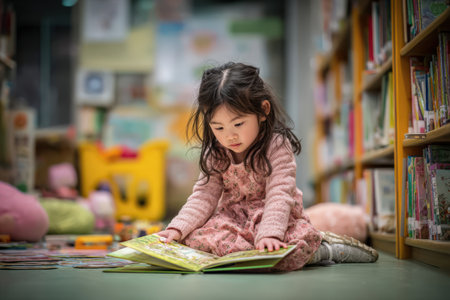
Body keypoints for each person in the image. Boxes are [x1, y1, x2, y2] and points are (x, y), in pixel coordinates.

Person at [156, 62, 378, 271]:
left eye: (238, 124)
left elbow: (280, 194)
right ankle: (262, 251)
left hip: (275, 216)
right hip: (234, 219)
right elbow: (204, 196)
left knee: (280, 250)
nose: (229, 136)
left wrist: (270, 234)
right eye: (218, 128)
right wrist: (177, 227)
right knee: (193, 241)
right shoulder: (215, 151)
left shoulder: (277, 145)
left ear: (263, 111)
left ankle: (325, 251)